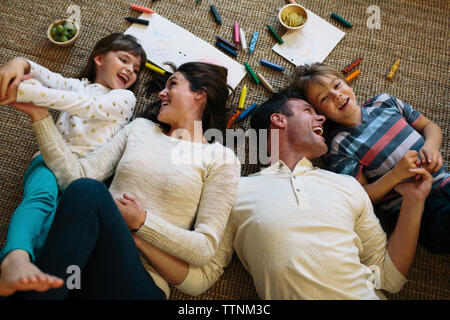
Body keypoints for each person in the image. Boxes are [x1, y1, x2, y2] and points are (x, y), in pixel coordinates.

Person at [131, 87, 433, 299]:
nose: (321, 119)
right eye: (308, 111)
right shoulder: (236, 190)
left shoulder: (348, 186)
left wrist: (414, 201)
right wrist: (137, 233)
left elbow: (389, 279)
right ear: (279, 120)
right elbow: (201, 278)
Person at [6, 61, 240, 299]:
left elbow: (204, 248)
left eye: (173, 84)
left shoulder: (221, 159)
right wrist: (40, 115)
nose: (162, 93)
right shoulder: (140, 129)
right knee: (85, 190)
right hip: (84, 262)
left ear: (200, 94)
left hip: (140, 282)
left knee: (90, 192)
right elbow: (75, 179)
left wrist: (142, 222)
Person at [0, 33, 147, 296]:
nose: (130, 70)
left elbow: (86, 106)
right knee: (40, 200)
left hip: (85, 181)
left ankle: (35, 273)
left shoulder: (125, 99)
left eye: (135, 69)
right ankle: (16, 259)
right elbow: (44, 74)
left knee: (60, 227)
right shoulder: (77, 85)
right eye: (124, 60)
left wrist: (30, 93)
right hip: (47, 159)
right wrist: (19, 63)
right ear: (99, 59)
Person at [292, 63, 449, 253]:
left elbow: (430, 127)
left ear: (347, 83)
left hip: (443, 182)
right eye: (324, 98)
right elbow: (363, 196)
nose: (337, 96)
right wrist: (396, 175)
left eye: (337, 85)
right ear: (320, 115)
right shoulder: (338, 147)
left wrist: (431, 146)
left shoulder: (384, 102)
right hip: (414, 211)